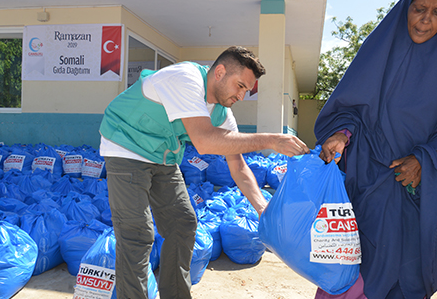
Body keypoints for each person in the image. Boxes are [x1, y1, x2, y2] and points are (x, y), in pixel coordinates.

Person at [314, 0, 437, 298]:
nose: (424, 20)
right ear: (406, 6)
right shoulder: (378, 53)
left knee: (405, 278)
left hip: (417, 196)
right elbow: (350, 107)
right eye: (418, 8)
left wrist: (423, 161)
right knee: (351, 274)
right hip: (366, 185)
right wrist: (340, 135)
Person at [98, 46, 310, 299]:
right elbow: (205, 141)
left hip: (163, 156)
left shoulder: (221, 112)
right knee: (137, 233)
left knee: (183, 224)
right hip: (125, 148)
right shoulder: (185, 78)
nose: (242, 95)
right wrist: (270, 140)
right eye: (240, 86)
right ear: (219, 72)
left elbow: (238, 165)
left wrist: (262, 207)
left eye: (246, 90)